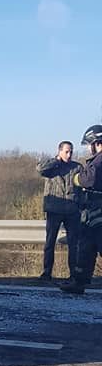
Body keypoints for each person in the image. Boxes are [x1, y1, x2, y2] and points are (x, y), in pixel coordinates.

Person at [60, 125, 102, 294]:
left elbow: (88, 180)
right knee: (86, 246)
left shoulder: (99, 160)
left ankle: (79, 281)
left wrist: (77, 179)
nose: (87, 148)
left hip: (98, 209)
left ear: (96, 143)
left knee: (94, 243)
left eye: (88, 144)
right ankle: (79, 281)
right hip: (92, 211)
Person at [37, 140, 81, 281]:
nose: (69, 154)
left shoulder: (77, 167)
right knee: (50, 242)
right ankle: (47, 272)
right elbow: (40, 169)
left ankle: (73, 273)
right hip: (54, 209)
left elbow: (82, 186)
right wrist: (56, 161)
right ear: (60, 151)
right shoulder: (52, 167)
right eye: (66, 151)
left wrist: (80, 204)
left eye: (71, 152)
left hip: (72, 210)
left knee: (73, 244)